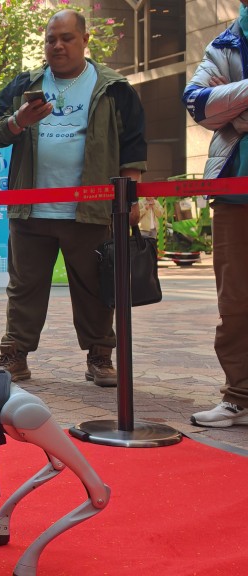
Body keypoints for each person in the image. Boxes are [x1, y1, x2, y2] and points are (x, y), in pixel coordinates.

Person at [0, 9, 147, 387]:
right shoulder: (25, 83)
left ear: (85, 40)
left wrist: (131, 199)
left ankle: (100, 357)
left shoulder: (113, 87)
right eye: (50, 39)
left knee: (94, 286)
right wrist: (19, 120)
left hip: (89, 209)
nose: (57, 46)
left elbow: (133, 144)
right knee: (23, 286)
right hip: (30, 208)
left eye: (67, 38)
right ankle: (15, 354)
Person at [182, 1, 248, 427]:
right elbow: (198, 104)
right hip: (234, 198)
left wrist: (235, 108)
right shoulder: (224, 43)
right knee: (237, 302)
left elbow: (219, 109)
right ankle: (240, 396)